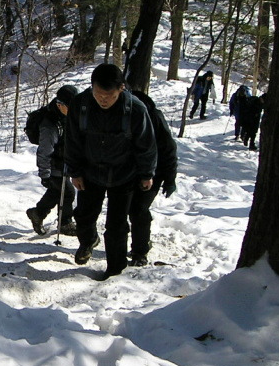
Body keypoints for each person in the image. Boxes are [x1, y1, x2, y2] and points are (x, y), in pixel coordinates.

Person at [64, 63, 157, 280]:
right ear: (91, 88)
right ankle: (88, 242)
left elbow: (146, 145)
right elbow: (73, 141)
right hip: (90, 173)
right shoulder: (81, 104)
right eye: (98, 94)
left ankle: (115, 270)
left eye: (110, 95)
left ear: (121, 89)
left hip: (124, 175)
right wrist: (74, 171)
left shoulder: (135, 109)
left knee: (117, 225)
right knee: (84, 216)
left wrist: (147, 174)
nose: (103, 99)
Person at [128, 90, 178, 266]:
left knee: (139, 210)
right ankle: (134, 245)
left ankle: (140, 251)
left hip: (154, 173)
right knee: (128, 209)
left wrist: (170, 179)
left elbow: (169, 149)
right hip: (128, 172)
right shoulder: (123, 116)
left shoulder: (154, 118)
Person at [26, 84, 78, 237]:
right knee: (67, 192)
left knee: (57, 191)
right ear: (60, 104)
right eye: (69, 107)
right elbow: (44, 152)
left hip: (65, 162)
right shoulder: (50, 125)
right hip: (53, 164)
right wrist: (45, 175)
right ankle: (65, 223)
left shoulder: (66, 116)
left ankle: (37, 213)